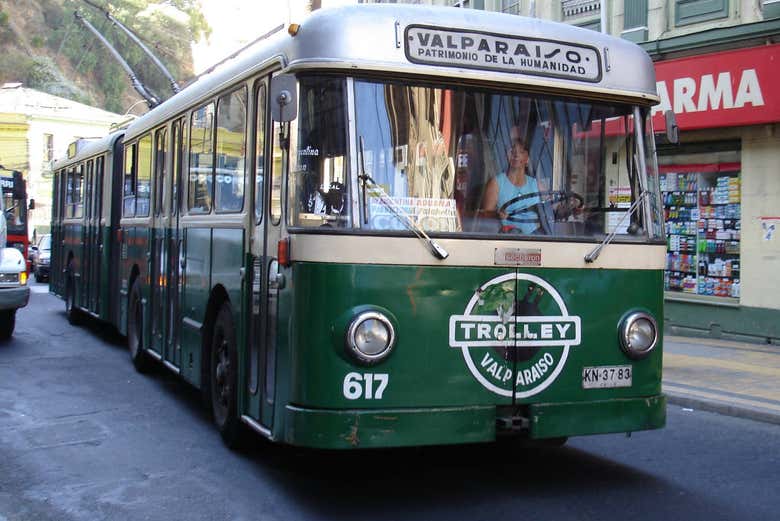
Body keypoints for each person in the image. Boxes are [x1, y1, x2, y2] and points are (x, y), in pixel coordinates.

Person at [481, 136, 542, 234]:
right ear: (507, 155)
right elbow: (486, 218)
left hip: (538, 241)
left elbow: (549, 213)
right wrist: (497, 215)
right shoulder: (496, 184)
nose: (516, 155)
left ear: (527, 158)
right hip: (507, 240)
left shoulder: (537, 185)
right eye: (513, 151)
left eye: (521, 152)